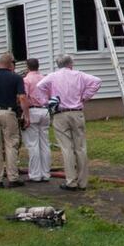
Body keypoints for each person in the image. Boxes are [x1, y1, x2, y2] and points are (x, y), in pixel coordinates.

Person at [37, 54, 101, 191]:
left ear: (58, 64)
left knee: (67, 148)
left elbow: (40, 86)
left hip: (60, 113)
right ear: (70, 64)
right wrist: (85, 96)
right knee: (81, 147)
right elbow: (97, 81)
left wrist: (46, 102)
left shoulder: (53, 76)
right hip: (77, 112)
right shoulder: (79, 75)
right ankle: (83, 182)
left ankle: (71, 181)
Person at [0, 53, 29, 188]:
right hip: (8, 112)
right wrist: (26, 115)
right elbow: (22, 98)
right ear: (10, 64)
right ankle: (13, 178)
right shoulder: (16, 78)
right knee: (11, 145)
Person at [22, 58, 51, 183]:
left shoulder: (26, 80)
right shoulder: (44, 78)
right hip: (44, 110)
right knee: (44, 142)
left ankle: (35, 174)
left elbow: (25, 97)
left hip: (32, 110)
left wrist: (25, 115)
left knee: (33, 144)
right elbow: (50, 95)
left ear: (27, 67)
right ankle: (46, 173)